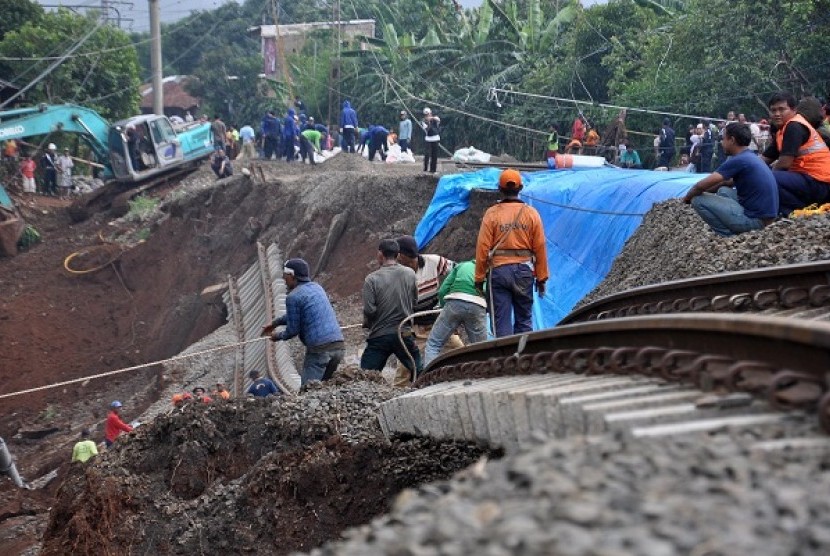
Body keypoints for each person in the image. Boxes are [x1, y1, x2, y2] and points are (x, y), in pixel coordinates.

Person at [474, 169, 549, 338]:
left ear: (499, 189)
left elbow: (483, 248)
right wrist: (542, 278)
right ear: (520, 188)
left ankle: (504, 360)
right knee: (524, 320)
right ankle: (522, 359)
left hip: (499, 273)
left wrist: (479, 278)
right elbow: (540, 247)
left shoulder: (492, 213)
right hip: (524, 273)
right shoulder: (531, 214)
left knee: (501, 323)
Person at [683, 123, 778, 236]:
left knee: (697, 200)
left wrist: (687, 199)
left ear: (732, 140)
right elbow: (726, 182)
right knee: (723, 190)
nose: (722, 143)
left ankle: (728, 236)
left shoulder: (738, 160)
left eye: (723, 139)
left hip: (756, 221)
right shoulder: (750, 156)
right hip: (768, 217)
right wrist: (708, 193)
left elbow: (700, 186)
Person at [261, 258, 345, 386]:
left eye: (285, 276)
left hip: (320, 350)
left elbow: (293, 330)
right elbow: (297, 315)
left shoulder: (293, 297)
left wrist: (277, 336)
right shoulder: (317, 288)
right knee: (327, 388)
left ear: (292, 275)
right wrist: (275, 324)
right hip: (339, 346)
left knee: (308, 391)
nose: (284, 280)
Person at [393, 235, 459, 387]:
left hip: (437, 322)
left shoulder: (433, 262)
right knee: (403, 367)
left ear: (402, 255)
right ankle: (397, 393)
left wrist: (449, 295)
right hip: (415, 326)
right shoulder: (398, 274)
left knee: (459, 348)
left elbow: (458, 271)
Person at [761, 91, 830, 215]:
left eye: (781, 109)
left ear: (794, 110)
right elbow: (763, 160)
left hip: (820, 181)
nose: (777, 114)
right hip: (809, 179)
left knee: (768, 177)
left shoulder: (794, 126)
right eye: (773, 110)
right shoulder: (781, 132)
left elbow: (784, 164)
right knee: (764, 174)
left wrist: (759, 175)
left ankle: (794, 212)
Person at [360, 239, 421, 377]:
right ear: (398, 255)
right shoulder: (410, 274)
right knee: (419, 370)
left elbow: (370, 310)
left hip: (379, 336)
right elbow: (414, 301)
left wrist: (368, 323)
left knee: (364, 376)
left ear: (380, 254)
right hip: (404, 333)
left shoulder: (371, 279)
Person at [423, 260, 488, 367]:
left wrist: (444, 308)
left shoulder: (462, 265)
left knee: (433, 344)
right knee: (482, 347)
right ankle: (485, 376)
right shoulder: (489, 270)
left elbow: (443, 290)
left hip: (454, 302)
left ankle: (429, 379)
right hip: (478, 304)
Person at [422, 107, 441, 174]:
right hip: (428, 139)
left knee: (434, 155)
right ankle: (425, 168)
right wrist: (429, 123)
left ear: (430, 113)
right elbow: (426, 129)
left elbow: (438, 120)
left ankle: (433, 170)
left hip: (436, 138)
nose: (427, 116)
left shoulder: (435, 119)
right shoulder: (424, 121)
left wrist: (432, 119)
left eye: (428, 114)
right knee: (427, 154)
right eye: (426, 115)